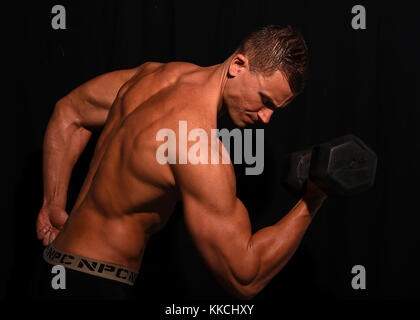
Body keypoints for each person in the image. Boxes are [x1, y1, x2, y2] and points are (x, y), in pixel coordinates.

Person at [35, 25, 327, 300]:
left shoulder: (157, 75)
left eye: (276, 109)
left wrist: (53, 204)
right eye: (265, 100)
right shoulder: (197, 147)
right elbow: (245, 278)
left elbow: (70, 113)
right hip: (96, 287)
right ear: (238, 65)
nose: (266, 117)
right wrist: (313, 197)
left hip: (51, 266)